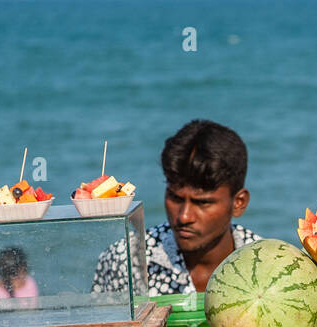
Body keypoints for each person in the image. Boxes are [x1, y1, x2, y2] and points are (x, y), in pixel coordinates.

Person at [92, 119, 261, 297]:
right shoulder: (124, 261)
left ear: (239, 203)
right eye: (175, 197)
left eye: (203, 203)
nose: (184, 217)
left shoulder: (264, 265)